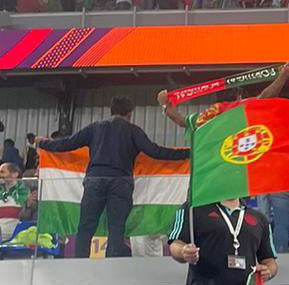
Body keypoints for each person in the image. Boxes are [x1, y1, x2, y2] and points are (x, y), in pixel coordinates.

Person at [37, 96, 189, 259]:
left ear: (111, 110)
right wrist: (187, 153)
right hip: (121, 183)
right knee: (116, 228)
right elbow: (156, 152)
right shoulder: (133, 131)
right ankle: (112, 265)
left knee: (86, 226)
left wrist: (43, 144)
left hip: (95, 181)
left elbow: (67, 144)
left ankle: (79, 264)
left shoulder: (95, 127)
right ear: (130, 113)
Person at [0, 162, 34, 245]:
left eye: (2, 172)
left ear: (15, 174)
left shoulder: (26, 193)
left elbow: (27, 219)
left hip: (18, 238)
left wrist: (28, 206)